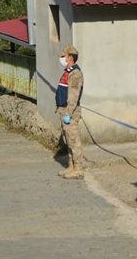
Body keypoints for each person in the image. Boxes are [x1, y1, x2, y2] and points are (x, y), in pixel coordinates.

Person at [56, 45, 85, 180]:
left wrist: (68, 113)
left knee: (73, 139)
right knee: (68, 139)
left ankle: (78, 168)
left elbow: (73, 96)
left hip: (70, 112)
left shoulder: (75, 74)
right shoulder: (67, 71)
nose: (61, 58)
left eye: (63, 56)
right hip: (63, 109)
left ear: (70, 58)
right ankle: (71, 165)